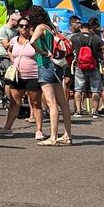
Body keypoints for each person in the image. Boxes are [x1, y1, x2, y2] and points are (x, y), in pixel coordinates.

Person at [29, 8, 73, 145]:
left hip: (46, 64)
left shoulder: (40, 28)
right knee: (63, 103)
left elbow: (32, 41)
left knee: (51, 103)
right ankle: (67, 135)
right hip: (57, 65)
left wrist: (41, 52)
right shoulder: (51, 28)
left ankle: (53, 137)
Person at [0, 15, 41, 137]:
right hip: (18, 76)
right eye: (21, 26)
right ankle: (7, 128)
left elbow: (41, 53)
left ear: (31, 28)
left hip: (33, 75)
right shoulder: (13, 40)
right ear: (17, 28)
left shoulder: (35, 40)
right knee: (14, 103)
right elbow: (9, 49)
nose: (24, 28)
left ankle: (39, 130)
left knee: (35, 103)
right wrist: (13, 59)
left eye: (26, 26)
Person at [70, 18, 104, 117]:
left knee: (78, 89)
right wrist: (97, 51)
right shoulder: (96, 38)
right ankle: (95, 111)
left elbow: (69, 49)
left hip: (80, 65)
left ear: (81, 28)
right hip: (93, 65)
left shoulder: (75, 37)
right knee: (95, 89)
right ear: (89, 28)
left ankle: (78, 111)